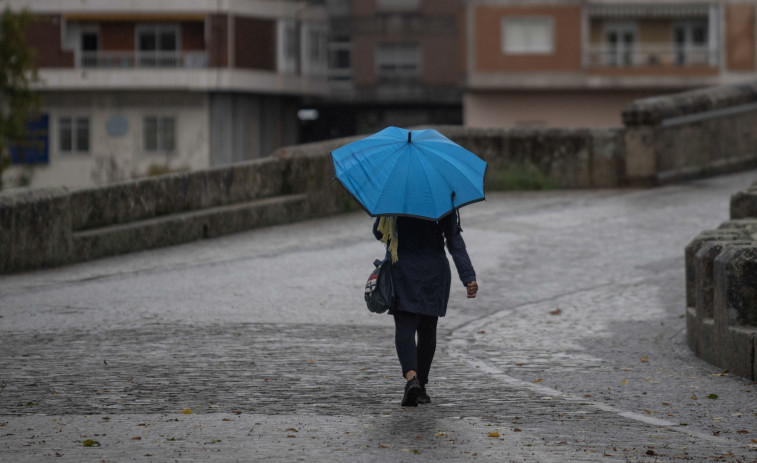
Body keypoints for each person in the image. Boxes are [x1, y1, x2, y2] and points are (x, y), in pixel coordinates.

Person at [372, 211, 478, 407]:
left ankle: (412, 379)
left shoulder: (396, 199)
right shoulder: (443, 199)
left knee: (405, 326)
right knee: (428, 328)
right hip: (434, 271)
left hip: (402, 269)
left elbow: (379, 234)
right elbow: (454, 240)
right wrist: (468, 276)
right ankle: (421, 387)